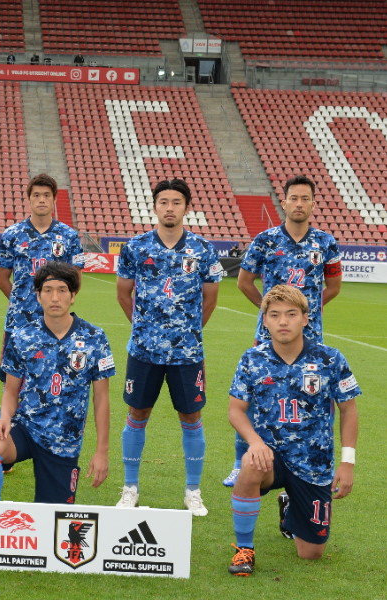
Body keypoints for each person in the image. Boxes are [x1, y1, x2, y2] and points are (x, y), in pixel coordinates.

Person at [226, 285, 359, 576]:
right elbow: (236, 410)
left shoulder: (330, 359)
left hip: (314, 462)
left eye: (291, 314)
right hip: (269, 456)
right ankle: (244, 549)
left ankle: (290, 505)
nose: (283, 321)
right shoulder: (252, 359)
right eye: (274, 315)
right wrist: (254, 442)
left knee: (311, 553)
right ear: (265, 321)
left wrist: (347, 462)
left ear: (306, 318)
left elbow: (348, 409)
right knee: (250, 464)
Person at [223, 175, 342, 487]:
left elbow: (333, 287)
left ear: (313, 203)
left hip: (311, 339)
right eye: (294, 198)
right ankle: (241, 460)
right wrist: (270, 314)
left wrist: (306, 313)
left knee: (309, 403)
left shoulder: (326, 244)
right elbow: (243, 282)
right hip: (267, 338)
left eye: (305, 198)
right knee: (252, 399)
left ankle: (303, 468)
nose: (299, 203)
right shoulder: (264, 241)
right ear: (285, 202)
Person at [114, 178, 222, 516]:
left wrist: (185, 332)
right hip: (144, 351)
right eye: (164, 202)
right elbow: (123, 293)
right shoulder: (136, 246)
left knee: (191, 416)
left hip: (187, 353)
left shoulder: (203, 249)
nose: (170, 208)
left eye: (176, 202)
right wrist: (146, 328)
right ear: (155, 206)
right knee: (137, 414)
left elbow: (210, 298)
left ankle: (193, 490)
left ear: (186, 207)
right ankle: (130, 487)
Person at [0, 263, 113, 503]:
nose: (55, 297)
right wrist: (4, 419)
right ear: (38, 296)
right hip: (26, 430)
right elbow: (10, 390)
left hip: (64, 442)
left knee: (54, 521)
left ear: (73, 296)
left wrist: (102, 452)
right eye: (47, 290)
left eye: (62, 290)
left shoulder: (95, 338)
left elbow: (101, 399)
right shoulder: (22, 336)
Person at [0, 173, 84, 383]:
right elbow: (2, 278)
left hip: (56, 320)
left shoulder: (69, 236)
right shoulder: (12, 234)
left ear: (54, 200)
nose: (41, 200)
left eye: (46, 195)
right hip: (19, 321)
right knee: (13, 381)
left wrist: (55, 303)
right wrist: (21, 301)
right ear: (29, 199)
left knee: (54, 377)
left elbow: (76, 280)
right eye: (36, 195)